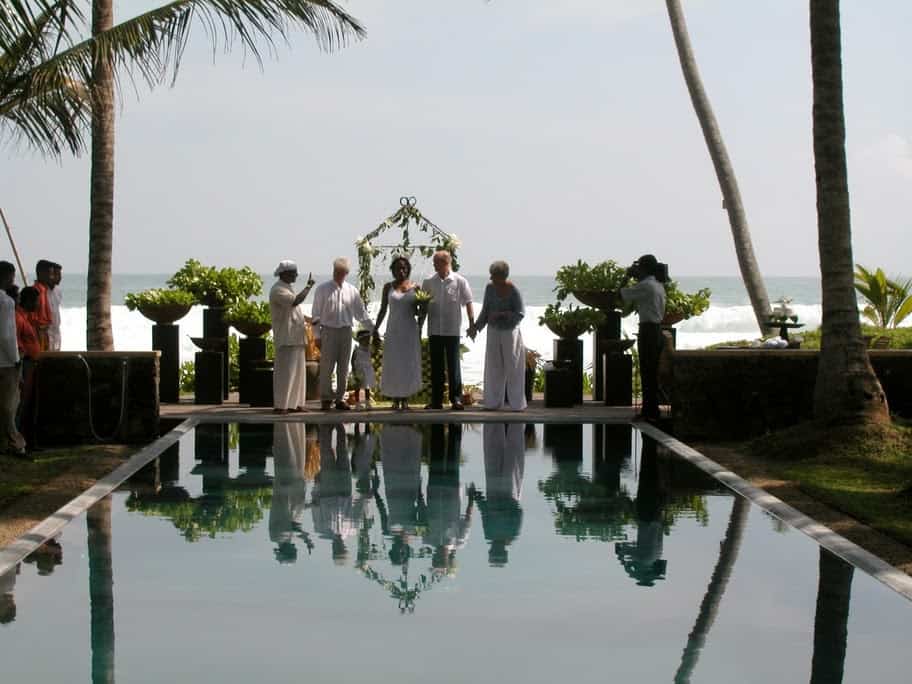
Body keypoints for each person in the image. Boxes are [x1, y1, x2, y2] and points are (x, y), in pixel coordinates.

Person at [311, 258, 374, 411]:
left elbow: (361, 314)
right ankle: (326, 399)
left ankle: (339, 399)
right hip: (328, 331)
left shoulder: (352, 291)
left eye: (341, 272)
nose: (338, 275)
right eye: (336, 272)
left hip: (346, 331)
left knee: (344, 367)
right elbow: (316, 315)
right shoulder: (323, 289)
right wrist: (317, 336)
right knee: (327, 367)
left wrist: (373, 329)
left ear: (346, 273)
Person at [468, 260, 527, 411]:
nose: (491, 278)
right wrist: (476, 328)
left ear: (502, 276)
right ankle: (493, 402)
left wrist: (504, 314)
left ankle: (517, 404)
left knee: (513, 366)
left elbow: (520, 314)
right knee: (493, 366)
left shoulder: (514, 290)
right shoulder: (489, 289)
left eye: (493, 276)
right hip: (493, 330)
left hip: (510, 332)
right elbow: (485, 311)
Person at [421, 251, 474, 410]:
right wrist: (419, 325)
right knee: (436, 366)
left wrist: (472, 324)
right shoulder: (429, 282)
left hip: (452, 330)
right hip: (435, 330)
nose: (433, 265)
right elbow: (423, 305)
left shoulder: (459, 281)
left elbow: (468, 302)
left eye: (436, 262)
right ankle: (436, 401)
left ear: (445, 263)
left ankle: (456, 399)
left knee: (453, 366)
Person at [620, 254, 667, 421]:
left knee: (648, 373)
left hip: (648, 331)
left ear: (644, 269)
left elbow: (621, 294)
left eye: (639, 267)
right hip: (656, 331)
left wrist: (626, 276)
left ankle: (650, 411)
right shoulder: (658, 284)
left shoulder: (647, 286)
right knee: (650, 373)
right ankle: (650, 410)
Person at [373, 256, 423, 410]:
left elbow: (419, 312)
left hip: (409, 330)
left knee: (407, 363)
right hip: (393, 330)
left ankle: (406, 399)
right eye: (398, 268)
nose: (401, 271)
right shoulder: (388, 287)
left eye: (404, 268)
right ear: (393, 270)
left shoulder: (416, 287)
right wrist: (375, 329)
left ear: (408, 269)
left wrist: (423, 309)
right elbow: (383, 309)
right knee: (394, 364)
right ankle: (395, 398)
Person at [268, 260, 314, 415]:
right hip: (286, 338)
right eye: (294, 272)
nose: (296, 275)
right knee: (285, 374)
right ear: (285, 273)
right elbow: (295, 302)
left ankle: (296, 404)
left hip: (296, 337)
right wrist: (308, 286)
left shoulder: (287, 288)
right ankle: (281, 405)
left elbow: (295, 312)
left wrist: (310, 319)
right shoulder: (277, 290)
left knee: (298, 374)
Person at [0, 261, 26, 458]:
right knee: (9, 405)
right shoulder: (5, 302)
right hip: (6, 361)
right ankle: (15, 444)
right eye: (11, 276)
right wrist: (15, 358)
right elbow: (7, 335)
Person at [15, 287, 41, 439]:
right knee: (20, 403)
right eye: (37, 301)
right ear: (30, 301)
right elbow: (17, 343)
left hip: (30, 363)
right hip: (25, 364)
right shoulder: (18, 318)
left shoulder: (25, 317)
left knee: (26, 404)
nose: (38, 304)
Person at [29, 260, 55, 352]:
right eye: (50, 274)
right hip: (38, 334)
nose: (52, 277)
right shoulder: (35, 292)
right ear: (41, 273)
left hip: (45, 333)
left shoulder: (44, 290)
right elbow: (31, 317)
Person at [349, 329, 376, 410]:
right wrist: (354, 370)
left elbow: (374, 353)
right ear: (360, 340)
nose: (368, 341)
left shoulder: (369, 349)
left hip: (367, 369)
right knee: (358, 387)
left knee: (367, 387)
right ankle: (357, 403)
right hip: (359, 369)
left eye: (368, 339)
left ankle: (367, 402)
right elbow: (352, 360)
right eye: (366, 339)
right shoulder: (357, 349)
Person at [48, 262, 62, 351]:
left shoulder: (58, 291)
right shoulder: (42, 292)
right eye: (56, 275)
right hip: (47, 334)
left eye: (60, 275)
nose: (60, 278)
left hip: (57, 332)